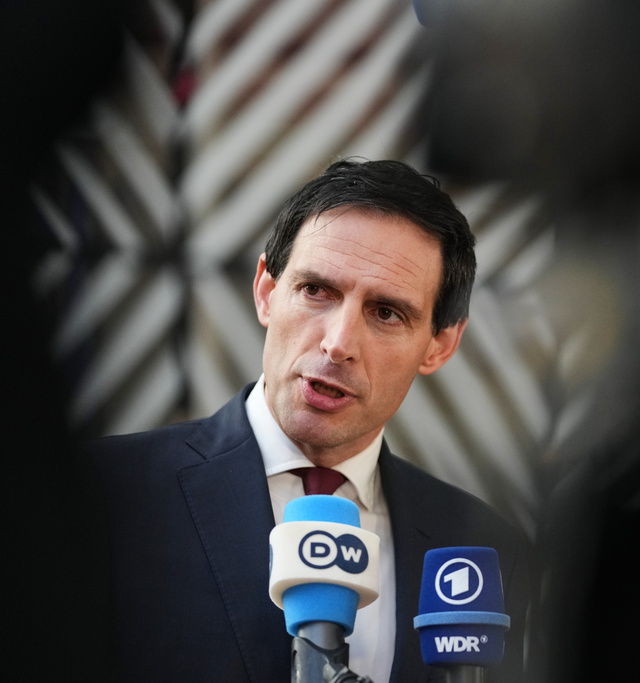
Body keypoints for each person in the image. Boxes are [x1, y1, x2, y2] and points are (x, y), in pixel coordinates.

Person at [83, 159, 531, 683]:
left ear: (440, 344)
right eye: (317, 290)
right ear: (267, 292)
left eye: (386, 312)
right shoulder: (104, 492)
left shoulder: (484, 550)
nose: (338, 343)